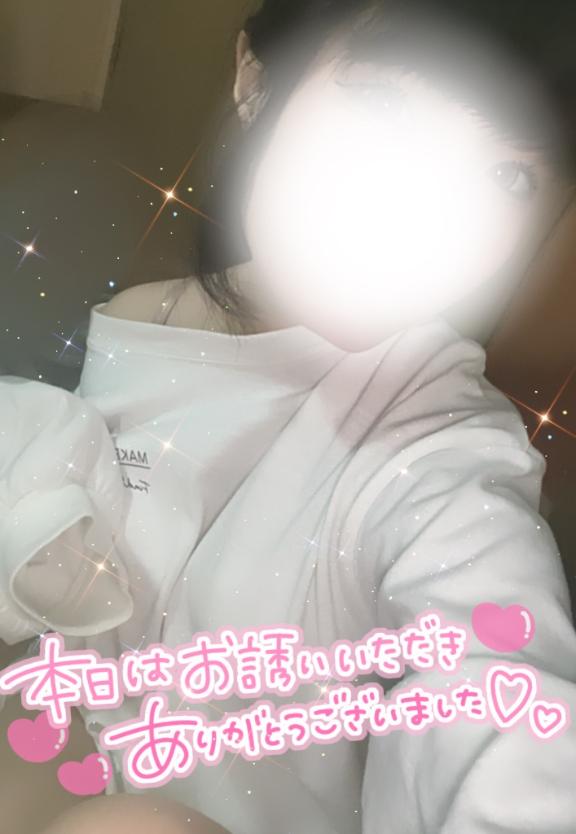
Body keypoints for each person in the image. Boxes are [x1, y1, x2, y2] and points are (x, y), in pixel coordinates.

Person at [1, 1, 576, 832]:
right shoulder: (131, 325)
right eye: (384, 104)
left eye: (506, 175)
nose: (421, 207)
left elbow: (502, 686)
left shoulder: (440, 446)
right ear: (256, 80)